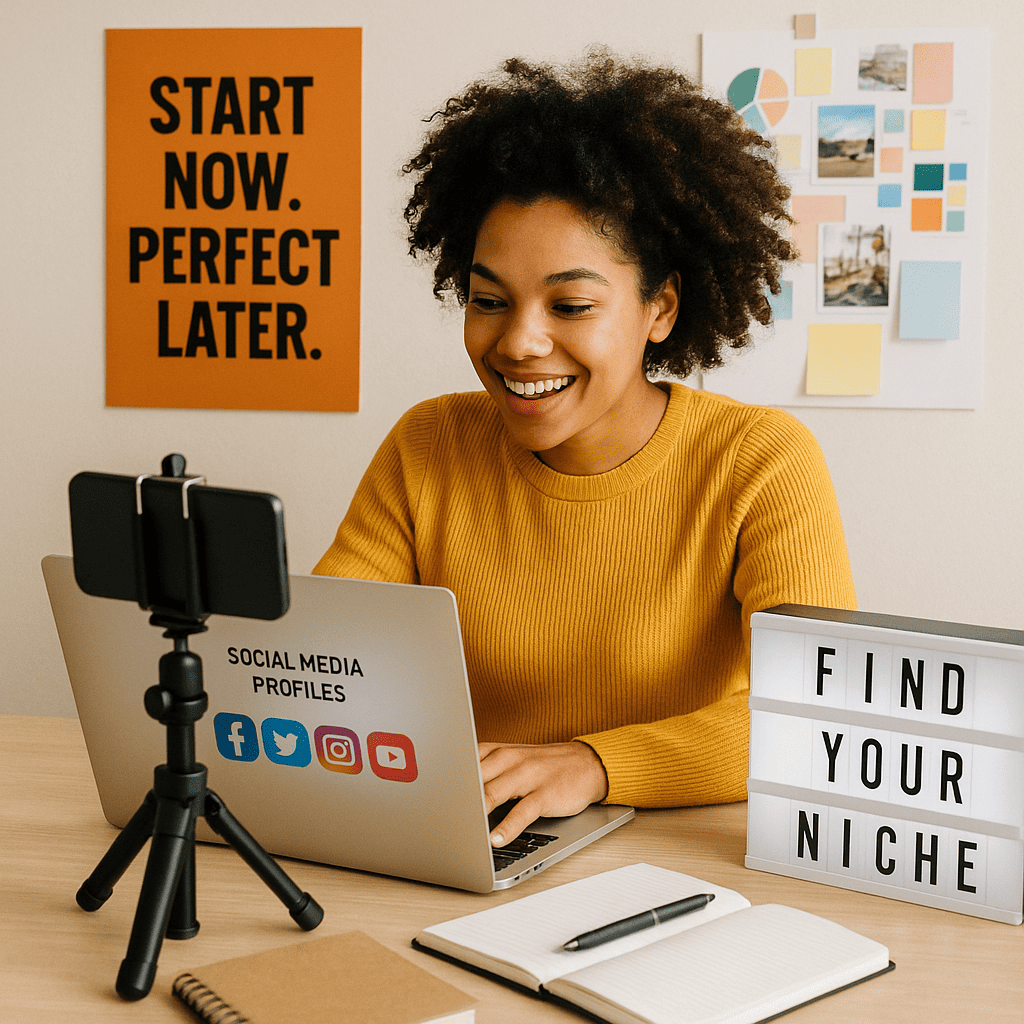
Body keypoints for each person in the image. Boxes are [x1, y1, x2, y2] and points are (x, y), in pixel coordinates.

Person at [314, 50, 856, 848]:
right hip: (481, 841)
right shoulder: (429, 444)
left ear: (660, 308)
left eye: (570, 304)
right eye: (488, 300)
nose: (520, 342)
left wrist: (593, 765)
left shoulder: (760, 461)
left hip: (681, 858)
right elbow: (319, 667)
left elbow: (818, 715)